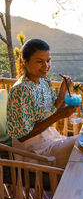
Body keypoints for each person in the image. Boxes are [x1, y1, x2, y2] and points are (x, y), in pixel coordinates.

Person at [7, 39, 78, 168]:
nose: (46, 66)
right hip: (32, 151)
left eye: (48, 61)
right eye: (40, 62)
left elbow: (55, 109)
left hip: (51, 139)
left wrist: (63, 91)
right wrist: (58, 116)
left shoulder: (44, 83)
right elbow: (22, 137)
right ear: (25, 61)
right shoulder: (20, 90)